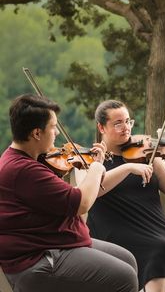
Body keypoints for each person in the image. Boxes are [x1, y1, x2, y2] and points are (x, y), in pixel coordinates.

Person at [0, 94, 138, 292]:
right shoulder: (24, 170)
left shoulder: (24, 159)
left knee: (128, 259)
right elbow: (80, 203)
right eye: (53, 127)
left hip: (52, 243)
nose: (57, 133)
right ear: (37, 133)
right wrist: (97, 168)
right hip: (37, 260)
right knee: (125, 277)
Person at [87, 100, 165, 292]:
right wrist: (127, 168)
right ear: (101, 127)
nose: (126, 127)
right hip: (115, 229)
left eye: (128, 121)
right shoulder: (91, 159)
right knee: (159, 251)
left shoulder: (145, 152)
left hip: (153, 225)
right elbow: (95, 189)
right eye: (118, 123)